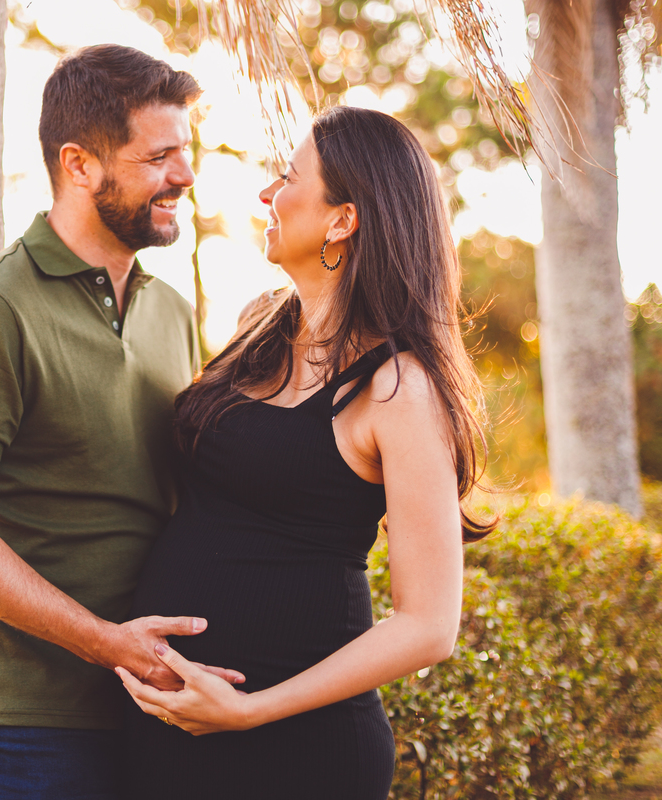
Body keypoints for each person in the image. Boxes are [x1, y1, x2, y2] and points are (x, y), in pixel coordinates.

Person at [117, 106, 496, 800]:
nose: (268, 193)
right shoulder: (257, 323)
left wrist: (248, 712)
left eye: (288, 178)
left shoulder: (398, 389)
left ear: (342, 220)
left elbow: (428, 626)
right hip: (166, 729)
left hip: (298, 751)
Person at [0, 45, 243, 800]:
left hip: (165, 700)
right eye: (158, 156)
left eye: (183, 153)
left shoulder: (170, 311)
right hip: (35, 721)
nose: (183, 176)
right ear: (80, 165)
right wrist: (106, 645)